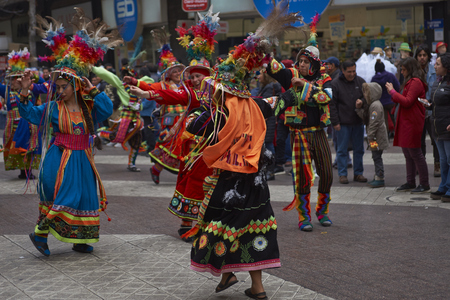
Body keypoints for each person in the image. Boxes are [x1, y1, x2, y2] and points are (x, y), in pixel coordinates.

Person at [180, 5, 300, 295]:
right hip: (256, 182)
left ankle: (230, 276)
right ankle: (253, 286)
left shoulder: (219, 113)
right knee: (254, 229)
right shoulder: (258, 104)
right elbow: (287, 99)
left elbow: (193, 127)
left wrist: (202, 110)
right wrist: (292, 83)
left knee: (223, 226)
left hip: (230, 182)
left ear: (223, 89)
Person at [19, 9, 119, 256]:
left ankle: (81, 239)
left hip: (83, 158)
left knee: (85, 197)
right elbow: (31, 114)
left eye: (64, 86)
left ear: (75, 86)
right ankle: (40, 235)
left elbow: (107, 109)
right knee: (66, 197)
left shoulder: (89, 108)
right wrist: (24, 91)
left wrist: (92, 89)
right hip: (60, 157)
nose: (60, 90)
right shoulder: (53, 108)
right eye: (58, 86)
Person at [129, 8, 219, 242]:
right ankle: (187, 223)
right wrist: (145, 93)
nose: (198, 79)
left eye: (202, 75)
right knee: (190, 180)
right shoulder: (188, 92)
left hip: (215, 146)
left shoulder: (220, 92)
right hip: (192, 146)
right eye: (195, 76)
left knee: (213, 183)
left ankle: (207, 222)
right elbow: (169, 95)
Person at [267, 13, 334, 232]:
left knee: (326, 173)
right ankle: (303, 217)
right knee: (303, 176)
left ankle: (322, 212)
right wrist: (265, 51)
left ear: (314, 64)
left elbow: (326, 97)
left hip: (318, 133)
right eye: (300, 61)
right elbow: (274, 68)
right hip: (299, 135)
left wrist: (304, 87)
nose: (302, 65)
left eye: (306, 62)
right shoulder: (291, 75)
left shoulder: (324, 79)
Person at [386, 57, 430, 193]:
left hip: (412, 122)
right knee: (408, 153)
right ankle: (410, 181)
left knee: (415, 153)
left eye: (404, 70)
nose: (402, 72)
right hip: (406, 121)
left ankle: (424, 183)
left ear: (410, 69)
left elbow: (407, 101)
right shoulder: (411, 81)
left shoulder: (415, 82)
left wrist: (392, 92)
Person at [2, 48, 41, 179]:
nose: (15, 81)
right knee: (17, 149)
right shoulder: (7, 92)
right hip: (13, 126)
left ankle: (29, 171)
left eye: (17, 78)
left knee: (29, 148)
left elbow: (42, 83)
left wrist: (32, 76)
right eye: (12, 79)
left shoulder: (32, 90)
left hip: (29, 125)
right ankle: (22, 171)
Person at [330, 60, 368, 184]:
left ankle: (358, 173)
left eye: (354, 71)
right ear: (343, 71)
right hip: (343, 123)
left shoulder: (360, 81)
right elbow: (332, 105)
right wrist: (335, 122)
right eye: (349, 72)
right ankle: (342, 174)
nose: (352, 74)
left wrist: (362, 101)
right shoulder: (335, 84)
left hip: (357, 122)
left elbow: (367, 96)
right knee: (341, 150)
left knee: (359, 149)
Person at [426, 53, 450, 202]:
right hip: (437, 125)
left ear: (446, 67)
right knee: (442, 159)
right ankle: (443, 186)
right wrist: (428, 104)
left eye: (438, 64)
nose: (434, 66)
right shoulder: (437, 82)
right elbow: (436, 101)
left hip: (447, 126)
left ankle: (448, 186)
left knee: (449, 159)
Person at [356, 82, 388, 187]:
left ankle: (380, 177)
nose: (364, 95)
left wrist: (370, 136)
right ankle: (377, 176)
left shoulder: (375, 106)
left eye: (366, 92)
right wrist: (359, 109)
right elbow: (367, 119)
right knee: (375, 156)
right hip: (374, 137)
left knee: (377, 156)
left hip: (376, 138)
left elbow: (374, 122)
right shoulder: (372, 105)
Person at [415, 44, 440, 177]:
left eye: (424, 55)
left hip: (431, 110)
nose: (422, 58)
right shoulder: (414, 72)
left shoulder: (434, 70)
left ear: (428, 56)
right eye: (420, 55)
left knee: (435, 140)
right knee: (419, 141)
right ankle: (421, 165)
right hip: (418, 111)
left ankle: (437, 164)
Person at [256, 71, 282, 180]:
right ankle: (269, 170)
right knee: (268, 143)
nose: (258, 77)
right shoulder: (269, 87)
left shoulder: (268, 88)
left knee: (268, 144)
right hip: (269, 120)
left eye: (260, 74)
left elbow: (265, 105)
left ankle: (270, 171)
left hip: (267, 120)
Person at [371, 59, 400, 137]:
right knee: (394, 117)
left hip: (380, 102)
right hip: (391, 100)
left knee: (384, 120)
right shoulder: (390, 75)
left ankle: (386, 134)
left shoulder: (374, 78)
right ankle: (397, 133)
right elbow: (397, 86)